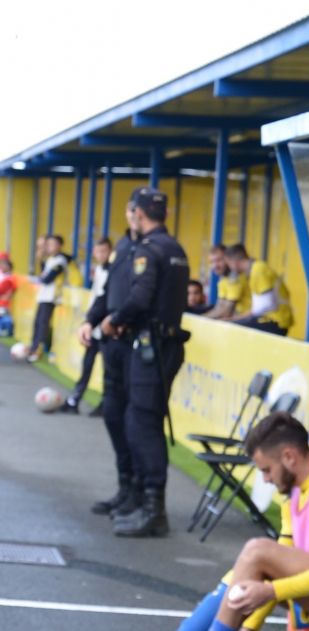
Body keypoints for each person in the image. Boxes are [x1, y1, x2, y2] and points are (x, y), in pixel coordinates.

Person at [179, 412, 309, 631]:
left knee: (257, 552)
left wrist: (270, 592)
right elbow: (271, 568)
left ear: (289, 457)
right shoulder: (294, 492)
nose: (266, 479)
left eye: (266, 470)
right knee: (250, 563)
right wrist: (250, 625)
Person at [99, 187, 189, 537]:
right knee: (140, 421)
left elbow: (140, 298)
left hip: (152, 346)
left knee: (142, 424)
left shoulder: (149, 249)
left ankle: (154, 511)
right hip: (163, 344)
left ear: (138, 213)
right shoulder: (174, 248)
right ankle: (142, 502)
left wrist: (113, 320)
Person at [80, 207, 139, 516]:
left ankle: (139, 495)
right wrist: (90, 320)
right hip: (112, 345)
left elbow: (141, 299)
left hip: (135, 349)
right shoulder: (123, 249)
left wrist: (115, 320)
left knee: (134, 423)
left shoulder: (155, 251)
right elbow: (106, 295)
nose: (132, 217)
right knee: (113, 417)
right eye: (129, 212)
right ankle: (124, 488)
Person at [60, 237, 112, 414]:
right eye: (98, 251)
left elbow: (106, 300)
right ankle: (75, 399)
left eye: (104, 251)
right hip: (93, 325)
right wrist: (89, 321)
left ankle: (105, 404)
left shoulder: (113, 271)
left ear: (110, 252)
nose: (101, 254)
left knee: (108, 369)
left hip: (106, 327)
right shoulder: (98, 270)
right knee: (87, 364)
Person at [223, 244, 293, 335]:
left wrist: (233, 319)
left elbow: (264, 306)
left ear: (234, 262)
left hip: (276, 320)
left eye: (229, 264)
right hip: (271, 318)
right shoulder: (255, 269)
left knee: (230, 327)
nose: (230, 268)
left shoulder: (258, 270)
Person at [28, 234, 69, 362]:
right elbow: (43, 273)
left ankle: (38, 350)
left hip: (52, 297)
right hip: (43, 296)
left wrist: (39, 279)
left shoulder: (61, 260)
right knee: (38, 322)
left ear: (59, 246)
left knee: (43, 324)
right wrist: (40, 259)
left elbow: (47, 279)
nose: (49, 247)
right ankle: (33, 347)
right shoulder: (50, 259)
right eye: (48, 244)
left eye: (52, 244)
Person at [204, 244, 250, 320]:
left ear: (228, 259)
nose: (215, 265)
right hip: (241, 319)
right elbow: (219, 307)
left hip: (253, 320)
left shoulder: (236, 277)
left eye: (219, 260)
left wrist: (200, 319)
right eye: (212, 262)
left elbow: (226, 312)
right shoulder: (223, 280)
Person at [0, 253, 17, 336]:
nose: (2, 265)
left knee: (4, 316)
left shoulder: (10, 277)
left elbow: (9, 291)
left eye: (4, 263)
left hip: (5, 304)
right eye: (1, 263)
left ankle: (6, 330)